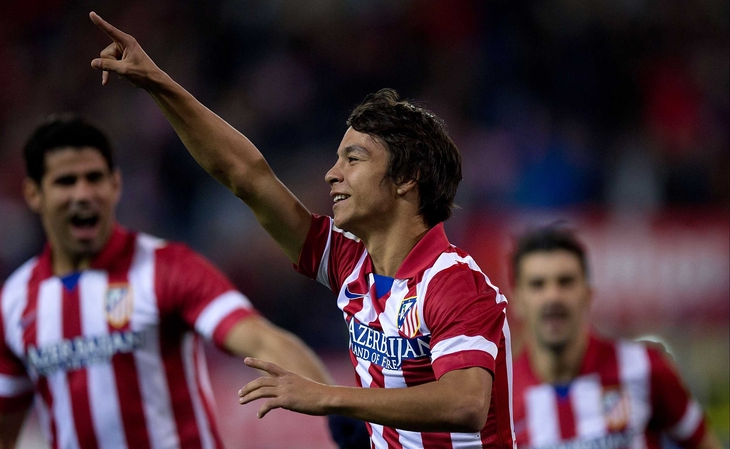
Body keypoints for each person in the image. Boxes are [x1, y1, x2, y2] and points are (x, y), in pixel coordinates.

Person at [87, 12, 515, 449]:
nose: (332, 175)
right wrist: (158, 82)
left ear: (408, 178)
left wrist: (328, 396)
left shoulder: (455, 283)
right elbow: (246, 177)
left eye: (353, 159)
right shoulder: (351, 264)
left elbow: (466, 404)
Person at [0, 116, 334, 449]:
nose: (83, 194)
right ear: (34, 194)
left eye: (94, 178)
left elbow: (259, 339)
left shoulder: (166, 268)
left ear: (115, 185)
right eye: (66, 181)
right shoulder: (13, 302)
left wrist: (337, 408)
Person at [509, 225, 723, 449]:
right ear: (517, 301)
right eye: (537, 285)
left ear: (588, 294)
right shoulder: (501, 400)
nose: (553, 296)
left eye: (566, 282)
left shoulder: (646, 368)